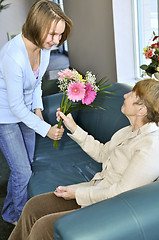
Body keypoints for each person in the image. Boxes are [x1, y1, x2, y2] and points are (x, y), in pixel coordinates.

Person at [8, 78, 159, 239]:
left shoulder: (151, 146)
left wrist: (77, 193)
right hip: (96, 191)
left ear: (141, 109)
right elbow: (102, 153)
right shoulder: (128, 130)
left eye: (131, 94)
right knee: (34, 206)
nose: (125, 95)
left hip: (111, 207)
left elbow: (122, 193)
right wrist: (73, 127)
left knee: (44, 227)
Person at [0, 0, 72, 224]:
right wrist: (45, 129)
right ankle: (19, 218)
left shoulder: (45, 50)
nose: (56, 40)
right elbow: (15, 106)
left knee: (24, 167)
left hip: (27, 113)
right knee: (22, 171)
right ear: (36, 25)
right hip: (6, 116)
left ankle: (9, 210)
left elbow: (37, 84)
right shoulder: (13, 56)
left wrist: (38, 109)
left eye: (60, 35)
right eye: (52, 34)